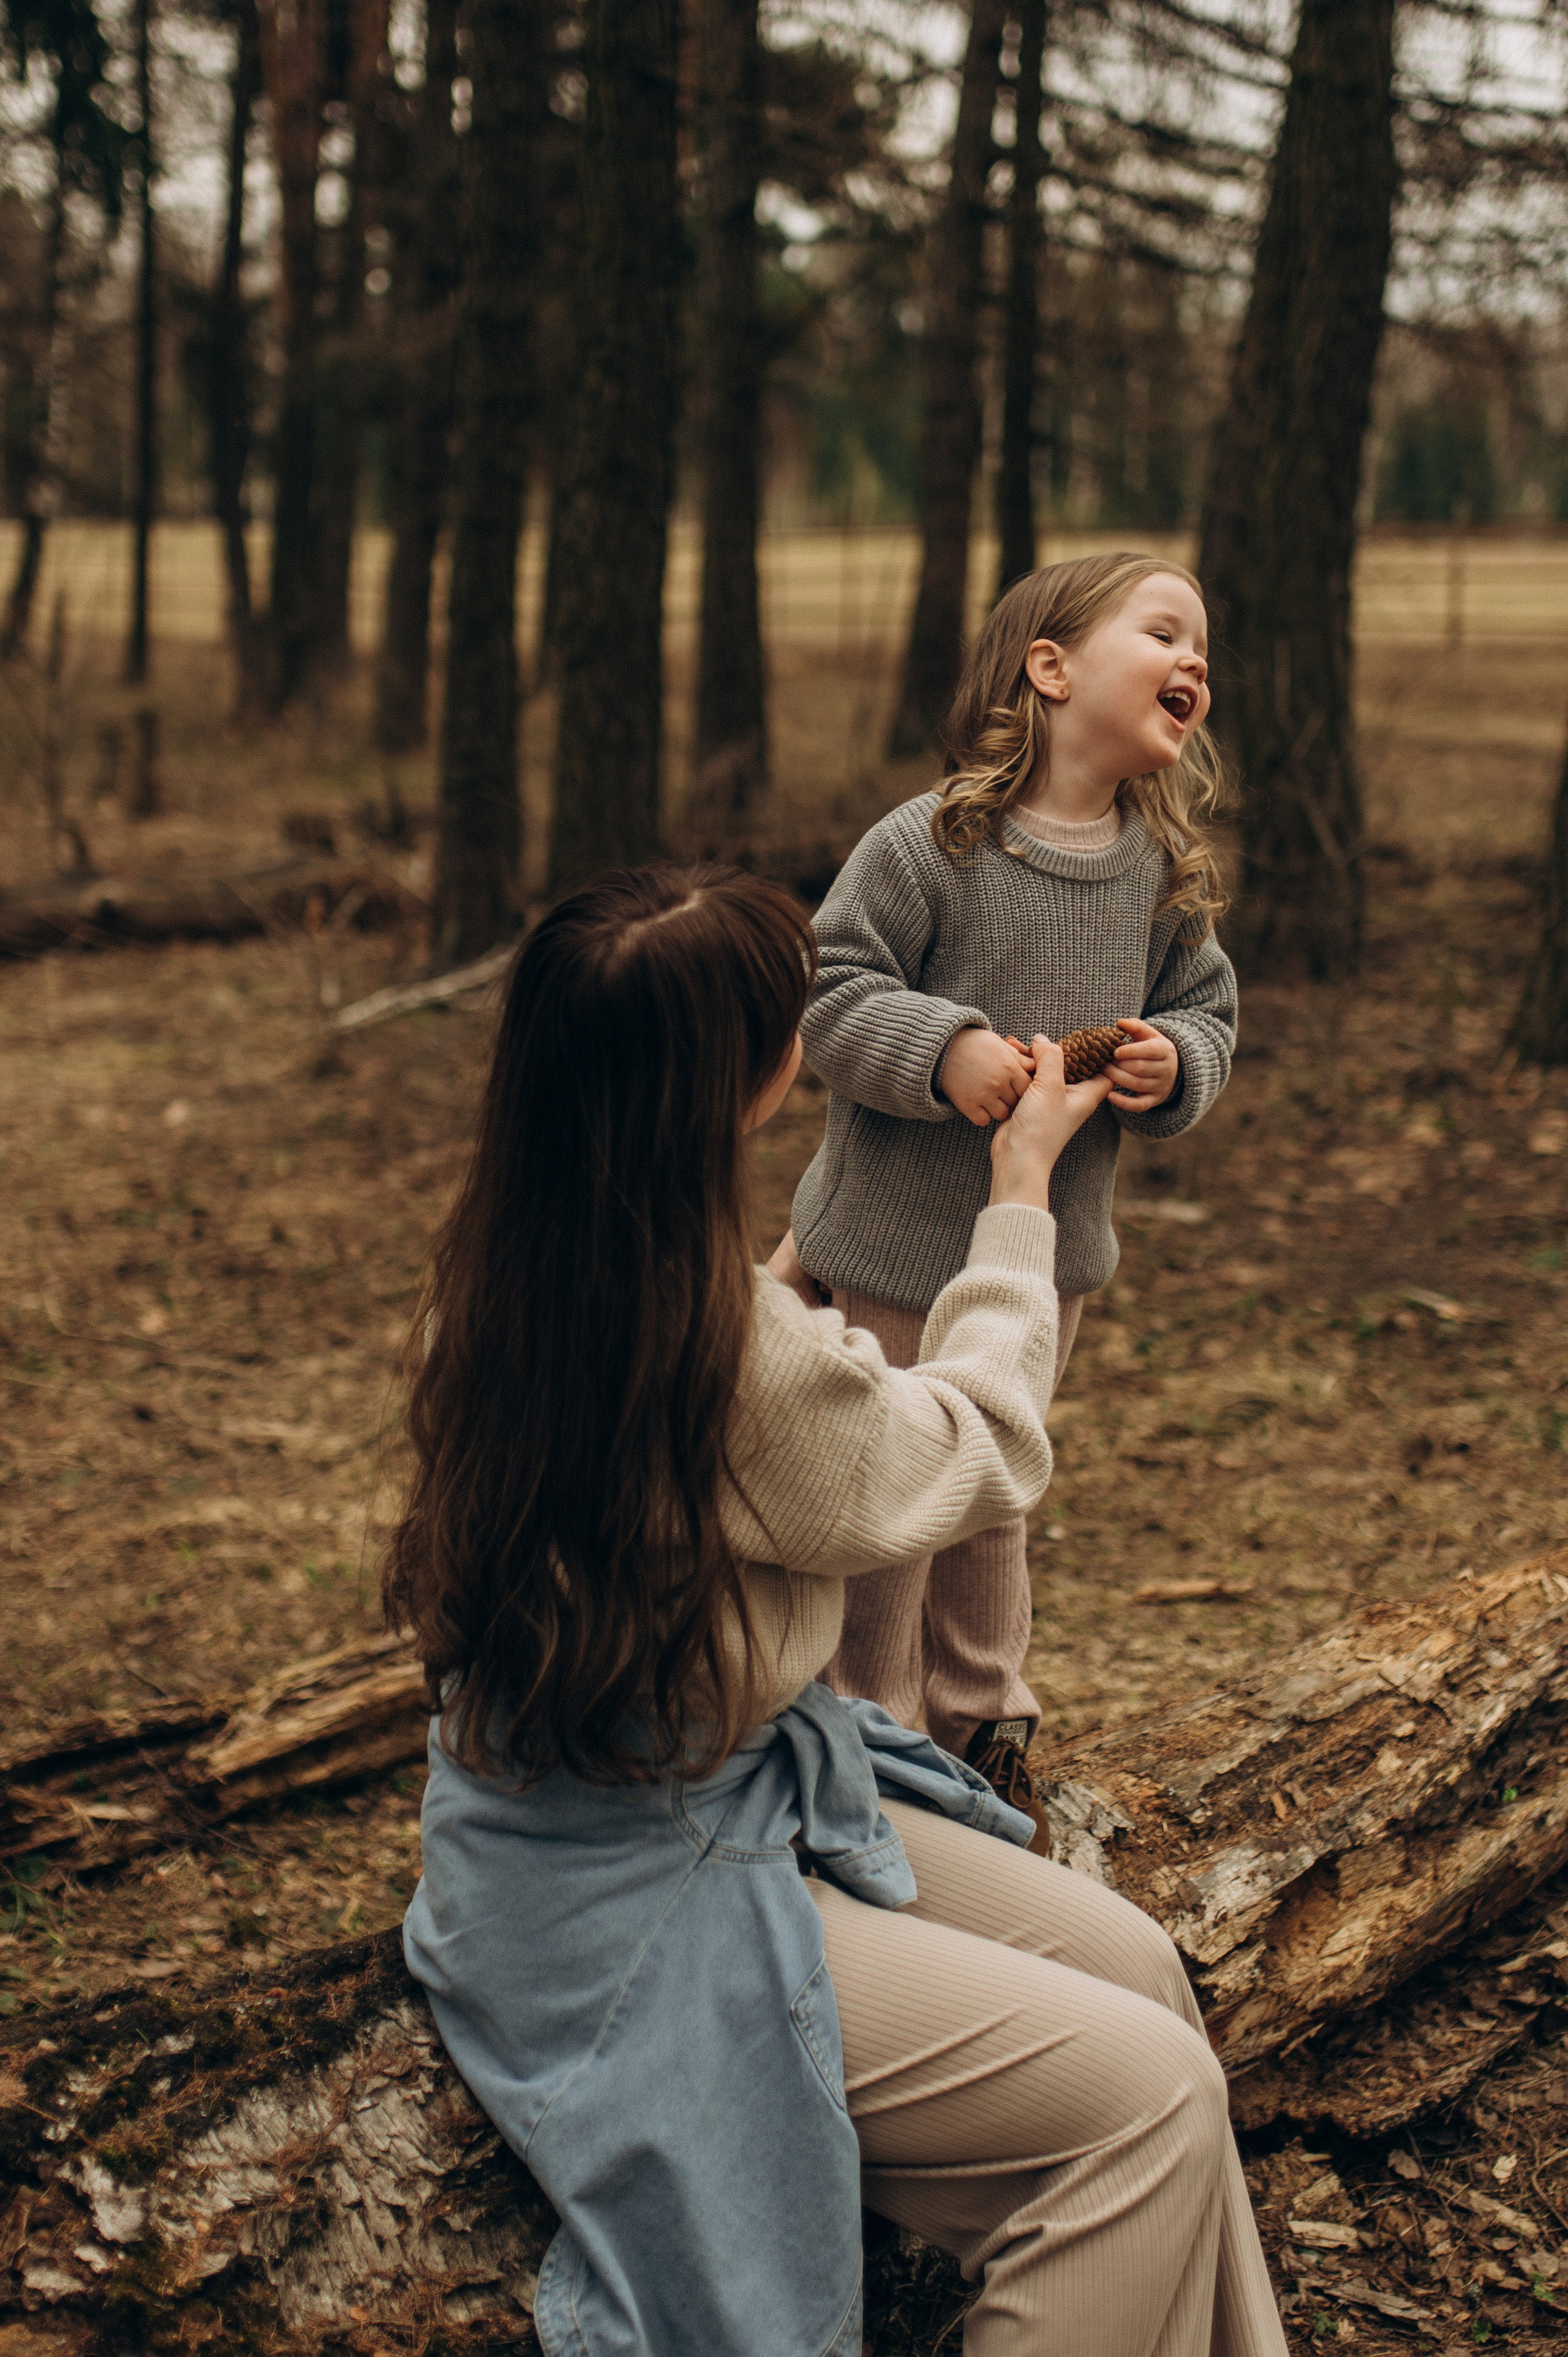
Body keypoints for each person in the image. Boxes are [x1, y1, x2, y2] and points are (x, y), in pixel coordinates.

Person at [386, 863, 1285, 2357]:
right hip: (638, 1889)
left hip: (647, 1792)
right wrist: (1016, 1207)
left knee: (1136, 1969)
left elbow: (726, 1383)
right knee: (1148, 2106)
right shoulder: (730, 1362)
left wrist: (807, 1258)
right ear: (726, 1088)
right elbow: (970, 1443)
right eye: (778, 1024)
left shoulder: (515, 1269)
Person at [772, 552, 1238, 1836]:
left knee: (992, 1490)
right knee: (889, 1501)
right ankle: (865, 1728)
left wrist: (1171, 1058)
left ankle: (979, 1725)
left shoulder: (1158, 869)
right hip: (892, 1251)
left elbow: (1207, 1010)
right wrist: (943, 1049)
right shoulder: (933, 844)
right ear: (1050, 668)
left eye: (1202, 647)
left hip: (1044, 1259)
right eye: (1162, 632)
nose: (1193, 661)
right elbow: (825, 992)